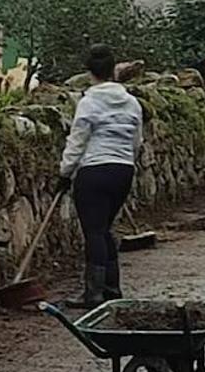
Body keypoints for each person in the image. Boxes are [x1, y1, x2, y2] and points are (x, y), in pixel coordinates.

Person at [59, 44, 144, 309]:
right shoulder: (132, 102)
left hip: (94, 170)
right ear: (113, 69)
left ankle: (92, 293)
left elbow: (78, 140)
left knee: (93, 231)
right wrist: (126, 159)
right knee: (105, 228)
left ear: (89, 72)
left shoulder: (89, 102)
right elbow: (137, 141)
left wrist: (65, 172)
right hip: (122, 170)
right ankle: (112, 287)